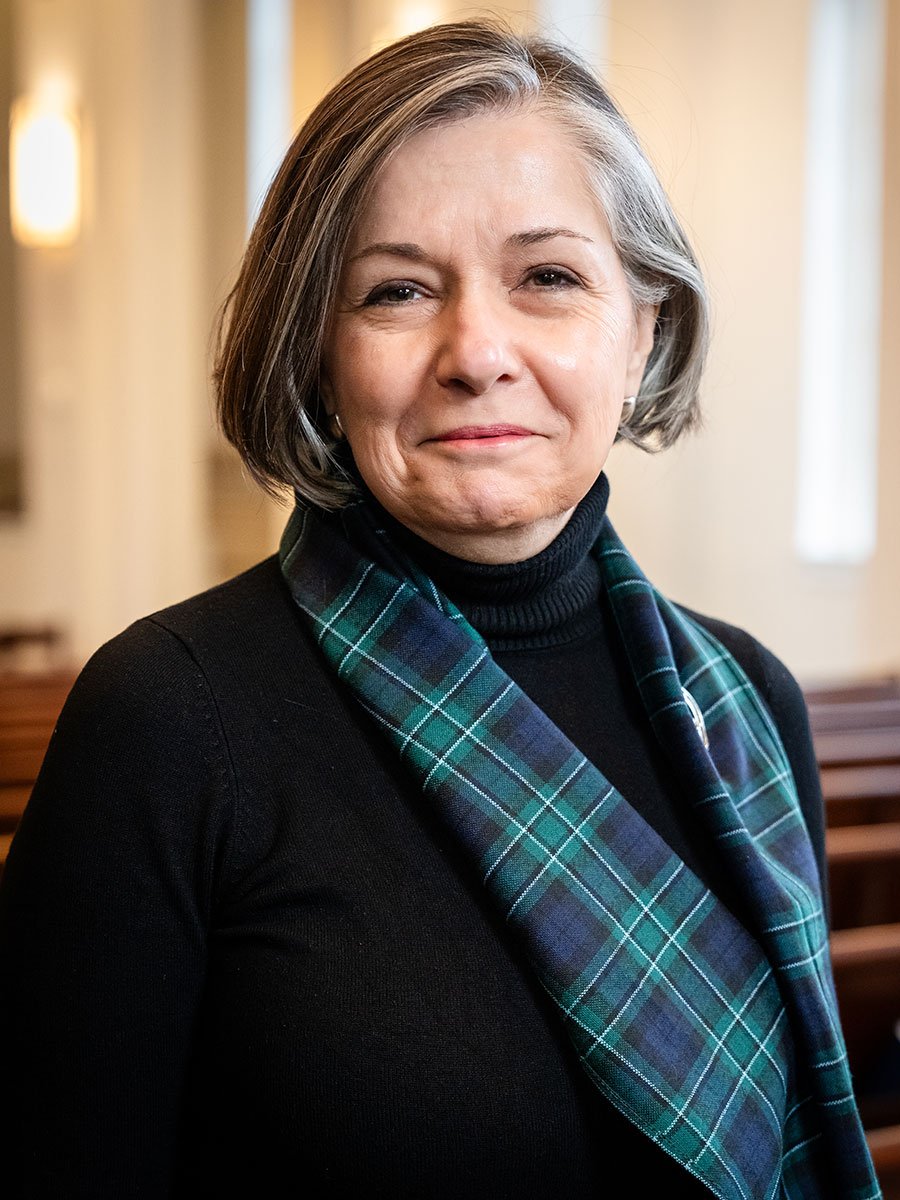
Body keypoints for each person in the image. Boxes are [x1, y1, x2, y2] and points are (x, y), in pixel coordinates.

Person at [0, 20, 879, 1200]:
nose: (477, 353)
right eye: (398, 291)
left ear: (643, 331)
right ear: (317, 354)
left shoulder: (747, 704)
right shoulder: (167, 720)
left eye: (548, 278)